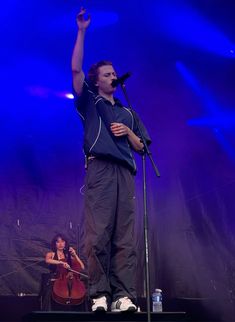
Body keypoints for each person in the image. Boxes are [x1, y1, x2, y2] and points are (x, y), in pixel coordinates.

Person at [71, 8, 151, 312]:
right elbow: (76, 71)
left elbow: (143, 148)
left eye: (114, 73)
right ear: (98, 80)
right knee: (99, 234)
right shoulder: (89, 102)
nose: (113, 77)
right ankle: (99, 294)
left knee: (124, 237)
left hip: (124, 172)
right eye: (107, 74)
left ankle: (123, 295)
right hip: (101, 169)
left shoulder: (127, 111)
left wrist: (130, 134)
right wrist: (81, 31)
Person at [40, 233, 85, 310]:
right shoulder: (51, 254)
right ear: (55, 244)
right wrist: (61, 262)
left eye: (62, 241)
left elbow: (82, 267)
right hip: (56, 280)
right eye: (58, 242)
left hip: (69, 280)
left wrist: (75, 255)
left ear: (65, 243)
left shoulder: (69, 255)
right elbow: (48, 260)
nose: (60, 244)